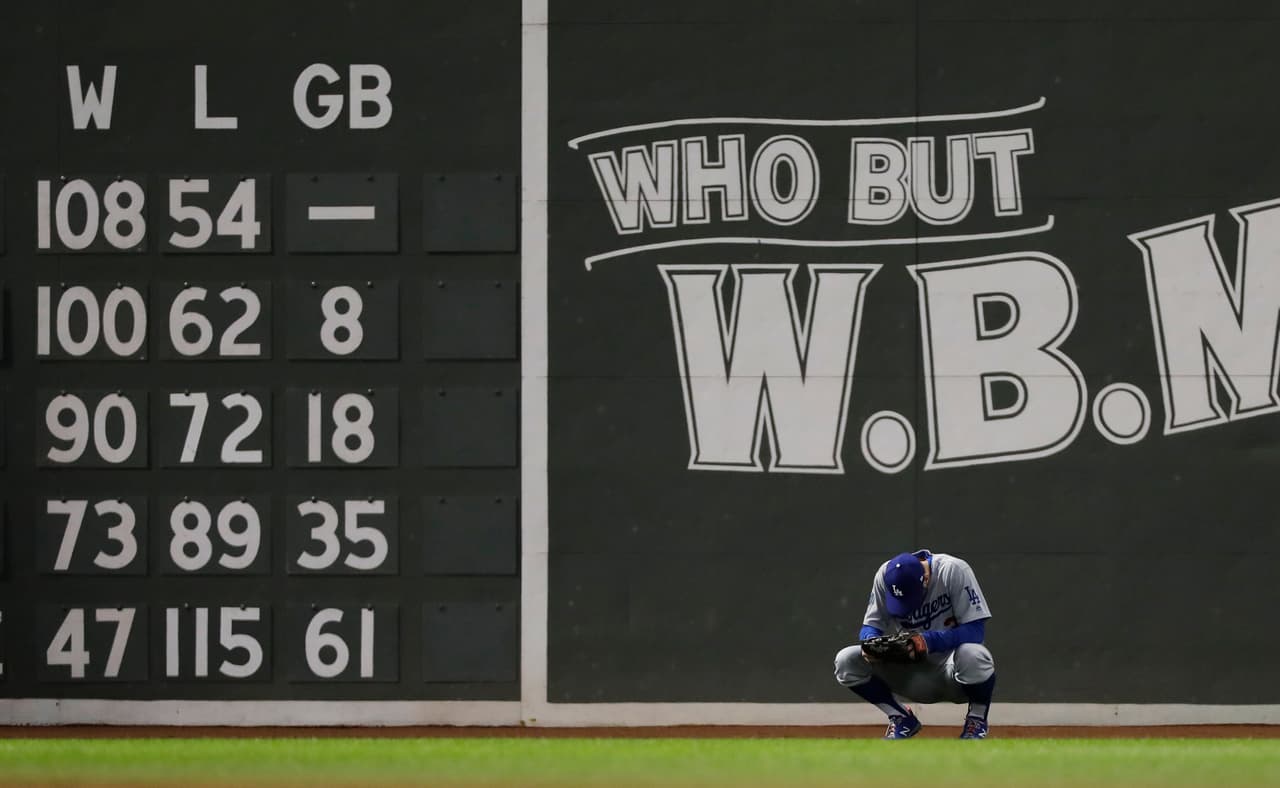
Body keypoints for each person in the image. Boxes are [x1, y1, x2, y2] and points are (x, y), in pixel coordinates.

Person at [833, 549, 996, 739]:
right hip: (910, 673)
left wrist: (928, 641)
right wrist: (871, 644)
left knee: (974, 654)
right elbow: (871, 626)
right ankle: (901, 718)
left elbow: (976, 632)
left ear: (925, 579)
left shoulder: (953, 570)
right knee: (846, 659)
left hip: (952, 672)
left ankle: (977, 720)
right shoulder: (885, 575)